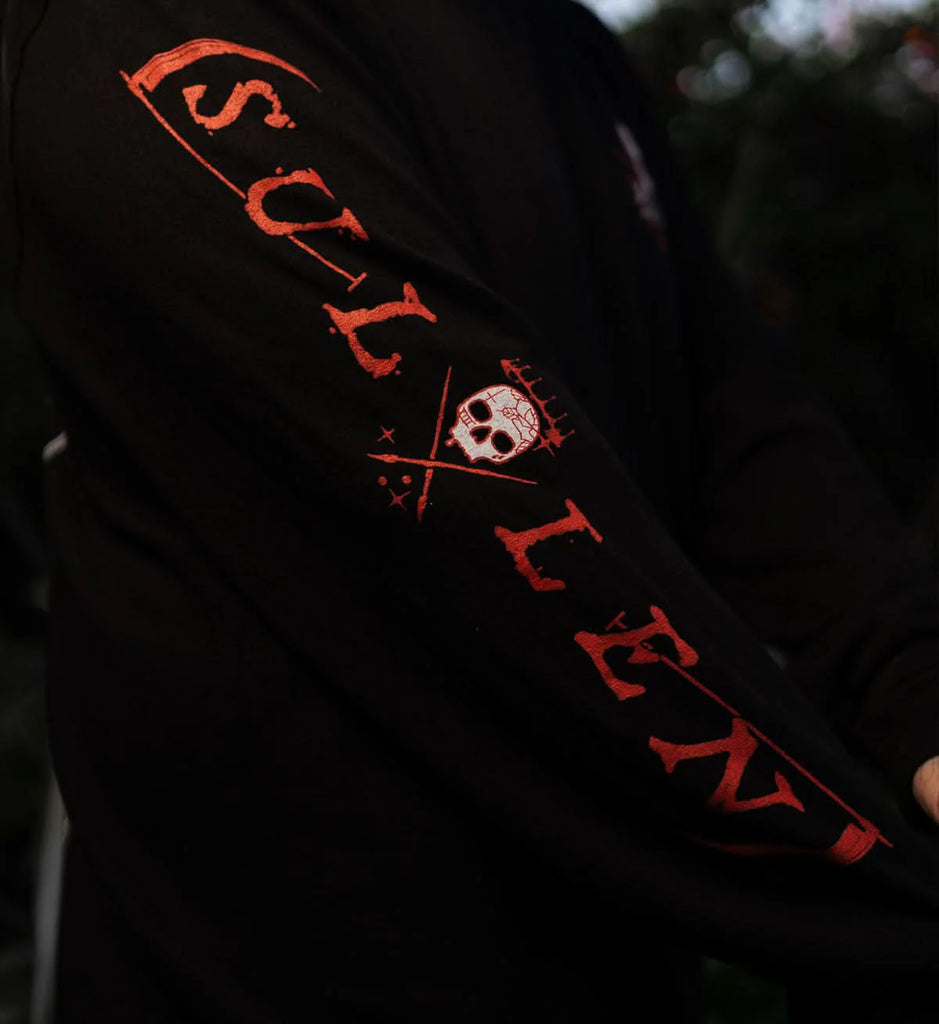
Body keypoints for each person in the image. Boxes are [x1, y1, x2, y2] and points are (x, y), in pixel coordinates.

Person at [2, 0, 937, 1020]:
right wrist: (883, 899)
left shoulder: (553, 40)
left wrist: (917, 703)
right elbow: (500, 511)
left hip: (596, 962)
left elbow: (733, 411)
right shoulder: (140, 28)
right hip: (287, 968)